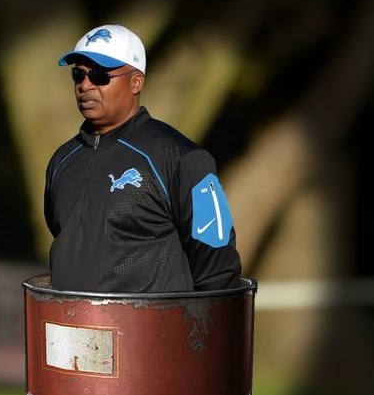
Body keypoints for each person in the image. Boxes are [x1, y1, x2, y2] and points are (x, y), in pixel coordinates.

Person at [44, 24, 242, 293]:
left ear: (136, 82)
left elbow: (218, 266)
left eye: (100, 76)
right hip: (70, 319)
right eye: (78, 75)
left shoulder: (181, 157)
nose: (85, 86)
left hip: (157, 321)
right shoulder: (62, 161)